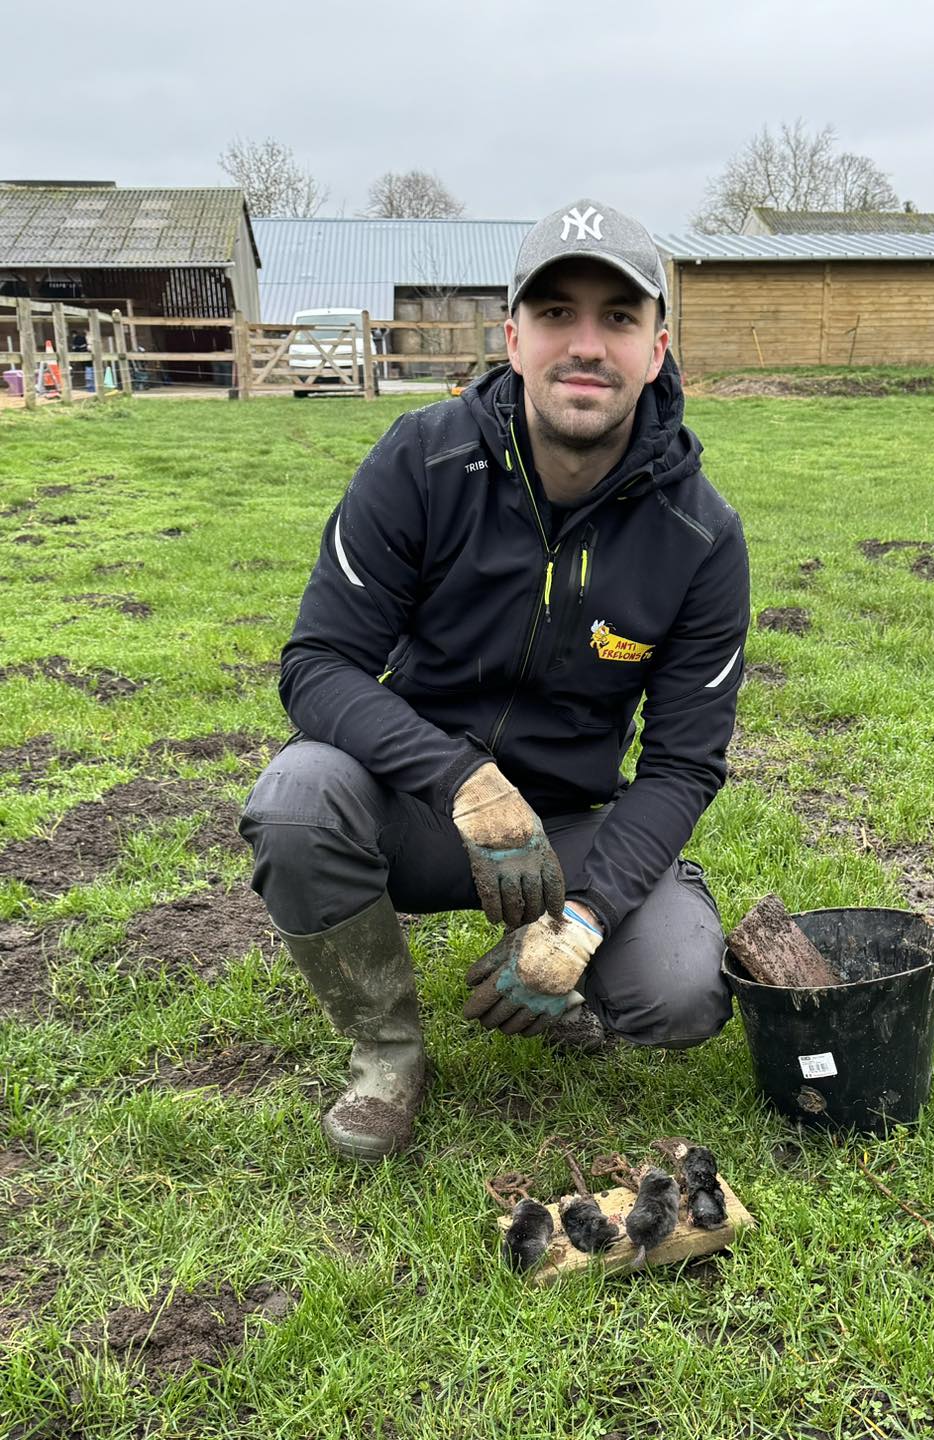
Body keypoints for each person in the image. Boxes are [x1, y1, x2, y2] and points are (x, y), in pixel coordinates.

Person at [240, 199, 750, 1163]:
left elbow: (684, 766)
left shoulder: (702, 538)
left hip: (568, 830)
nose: (586, 344)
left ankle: (552, 967)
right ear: (512, 337)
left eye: (619, 318)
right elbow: (317, 665)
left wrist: (586, 917)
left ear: (659, 346)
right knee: (296, 802)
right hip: (417, 808)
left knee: (683, 988)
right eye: (557, 314)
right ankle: (389, 1055)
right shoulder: (421, 463)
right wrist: (464, 782)